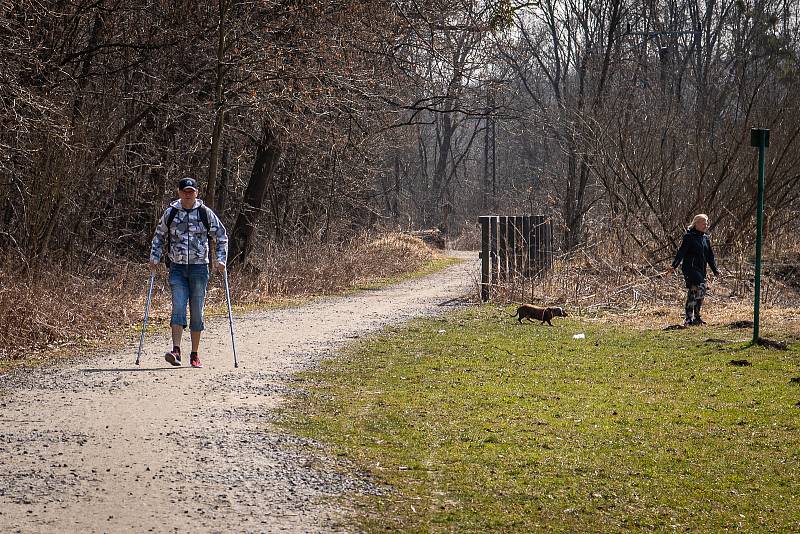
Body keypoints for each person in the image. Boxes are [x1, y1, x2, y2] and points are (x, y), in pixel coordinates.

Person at [149, 177, 228, 368]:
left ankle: (194, 354)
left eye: (191, 191)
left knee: (197, 312)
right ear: (179, 192)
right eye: (185, 191)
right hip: (176, 267)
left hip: (199, 268)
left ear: (196, 193)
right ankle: (176, 351)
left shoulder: (205, 213)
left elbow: (221, 236)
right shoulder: (171, 213)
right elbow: (159, 236)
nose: (188, 194)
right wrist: (155, 256)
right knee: (178, 305)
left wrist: (221, 259)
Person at [669, 213, 719, 326]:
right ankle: (690, 317)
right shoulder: (689, 237)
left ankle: (693, 318)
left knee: (695, 291)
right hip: (690, 268)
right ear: (696, 224)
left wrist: (715, 269)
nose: (705, 225)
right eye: (703, 223)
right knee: (701, 286)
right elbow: (681, 252)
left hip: (701, 269)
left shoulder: (705, 238)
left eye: (706, 223)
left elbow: (710, 256)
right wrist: (674, 265)